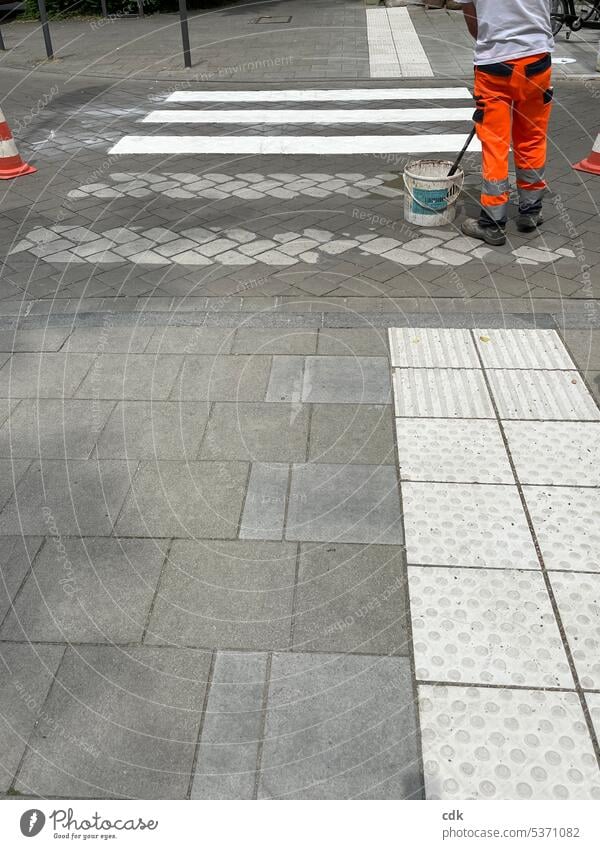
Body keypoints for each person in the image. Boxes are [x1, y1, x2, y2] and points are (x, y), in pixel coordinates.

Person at [455, 0, 555, 246]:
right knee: (531, 137)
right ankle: (530, 211)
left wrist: (494, 39)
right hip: (537, 59)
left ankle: (492, 223)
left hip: (494, 64)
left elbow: (472, 18)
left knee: (495, 144)